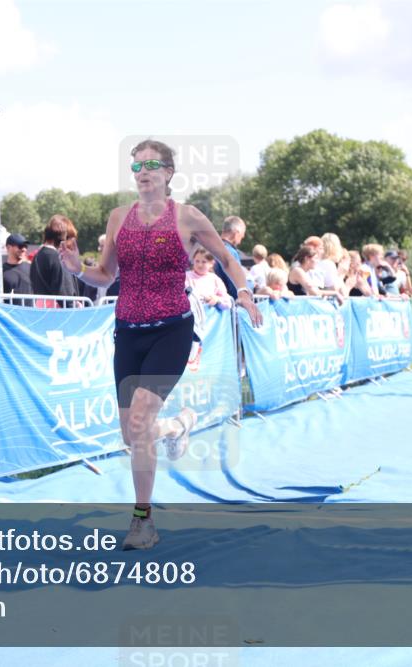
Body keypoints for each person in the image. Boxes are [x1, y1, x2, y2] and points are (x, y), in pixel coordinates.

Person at [58, 139, 261, 550]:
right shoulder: (118, 217)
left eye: (151, 165)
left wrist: (243, 291)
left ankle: (142, 522)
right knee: (131, 435)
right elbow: (105, 275)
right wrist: (77, 269)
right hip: (128, 332)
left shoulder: (188, 217)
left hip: (172, 330)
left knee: (139, 421)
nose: (142, 172)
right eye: (136, 166)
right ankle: (177, 425)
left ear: (168, 172)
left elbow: (227, 259)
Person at [30, 214, 78, 305]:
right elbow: (65, 293)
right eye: (69, 237)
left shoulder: (37, 256)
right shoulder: (57, 257)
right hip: (59, 311)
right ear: (63, 236)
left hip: (41, 309)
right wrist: (73, 306)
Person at [212, 215, 249, 299]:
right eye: (242, 235)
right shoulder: (231, 252)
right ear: (236, 233)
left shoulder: (208, 248)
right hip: (227, 302)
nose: (242, 239)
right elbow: (236, 284)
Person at [2, 233, 32, 302]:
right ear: (8, 247)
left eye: (25, 246)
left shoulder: (32, 268)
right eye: (20, 246)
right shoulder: (0, 272)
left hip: (30, 309)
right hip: (8, 309)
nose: (24, 249)